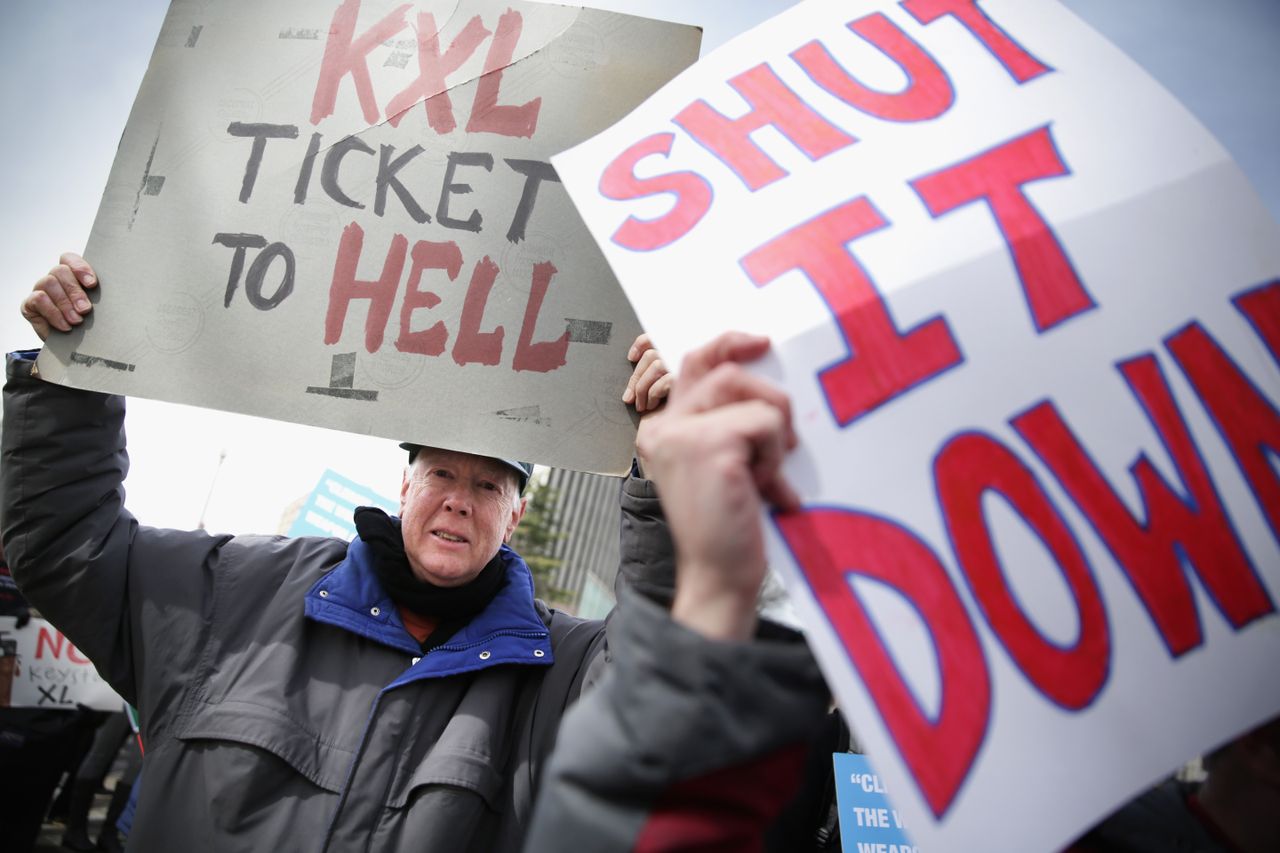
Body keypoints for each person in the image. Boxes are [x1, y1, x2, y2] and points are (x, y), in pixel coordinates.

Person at [4, 253, 830, 851]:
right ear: (405, 484)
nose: (457, 500)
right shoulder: (241, 590)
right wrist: (64, 375)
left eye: (487, 485)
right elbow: (69, 547)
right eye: (440, 471)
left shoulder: (561, 672)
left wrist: (662, 474)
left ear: (516, 514)